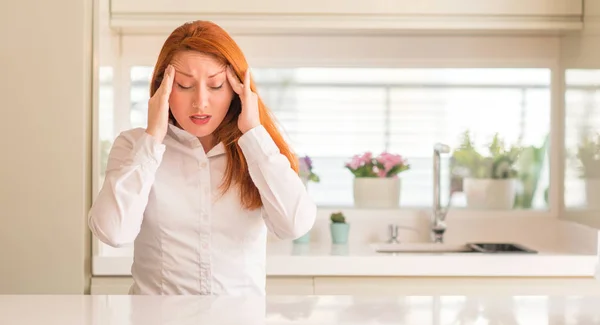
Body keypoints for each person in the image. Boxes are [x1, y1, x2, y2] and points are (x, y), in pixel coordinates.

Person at [88, 20, 317, 295]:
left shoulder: (255, 151)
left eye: (216, 85)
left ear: (236, 89)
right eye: (184, 86)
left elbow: (295, 224)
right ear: (164, 88)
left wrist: (254, 134)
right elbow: (114, 232)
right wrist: (153, 139)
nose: (200, 102)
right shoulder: (134, 146)